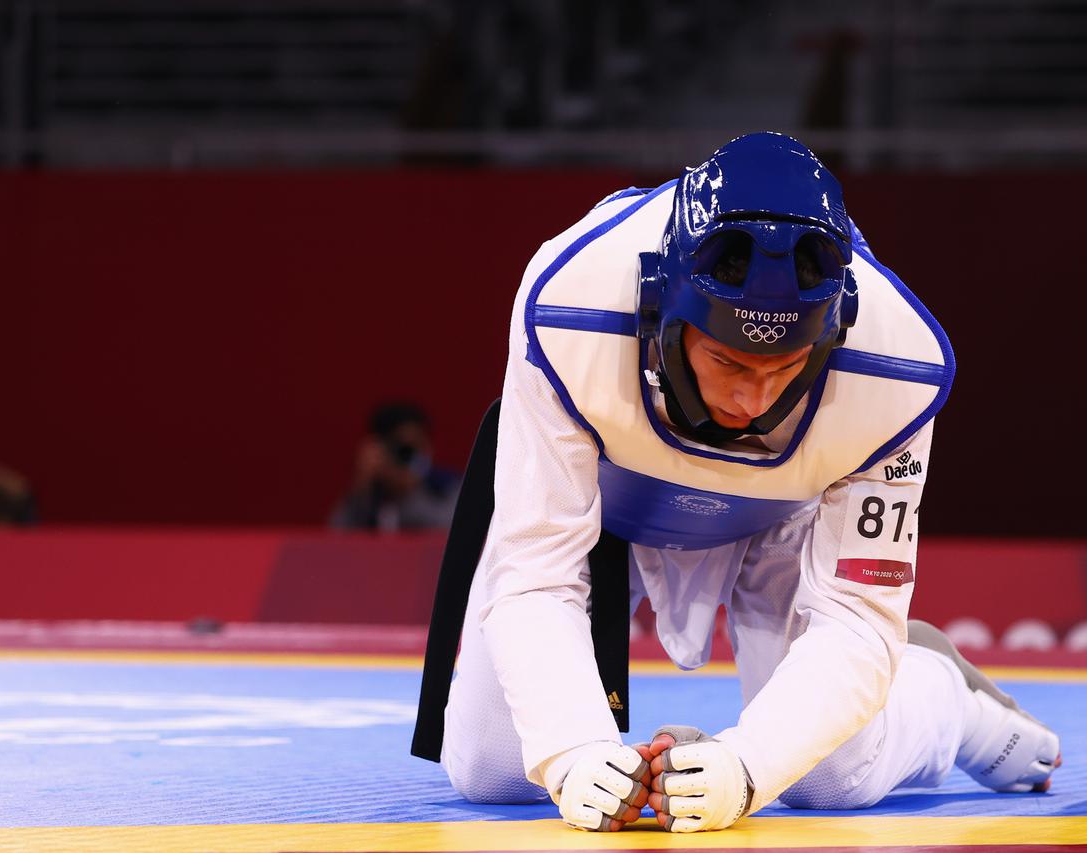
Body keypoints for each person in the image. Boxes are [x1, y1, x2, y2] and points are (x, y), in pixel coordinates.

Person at [411, 133, 1060, 833]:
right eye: (729, 361)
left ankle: (940, 696)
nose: (753, 401)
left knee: (830, 780)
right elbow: (536, 571)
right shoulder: (569, 303)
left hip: (782, 516)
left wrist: (749, 767)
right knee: (492, 768)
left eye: (786, 367)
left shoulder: (897, 365)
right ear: (664, 310)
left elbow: (858, 619)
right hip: (607, 509)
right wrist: (575, 751)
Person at [330, 402, 461, 531]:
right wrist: (362, 488)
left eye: (414, 447)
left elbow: (447, 533)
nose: (407, 457)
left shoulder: (447, 488)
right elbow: (337, 536)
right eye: (401, 449)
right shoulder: (368, 494)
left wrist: (408, 494)